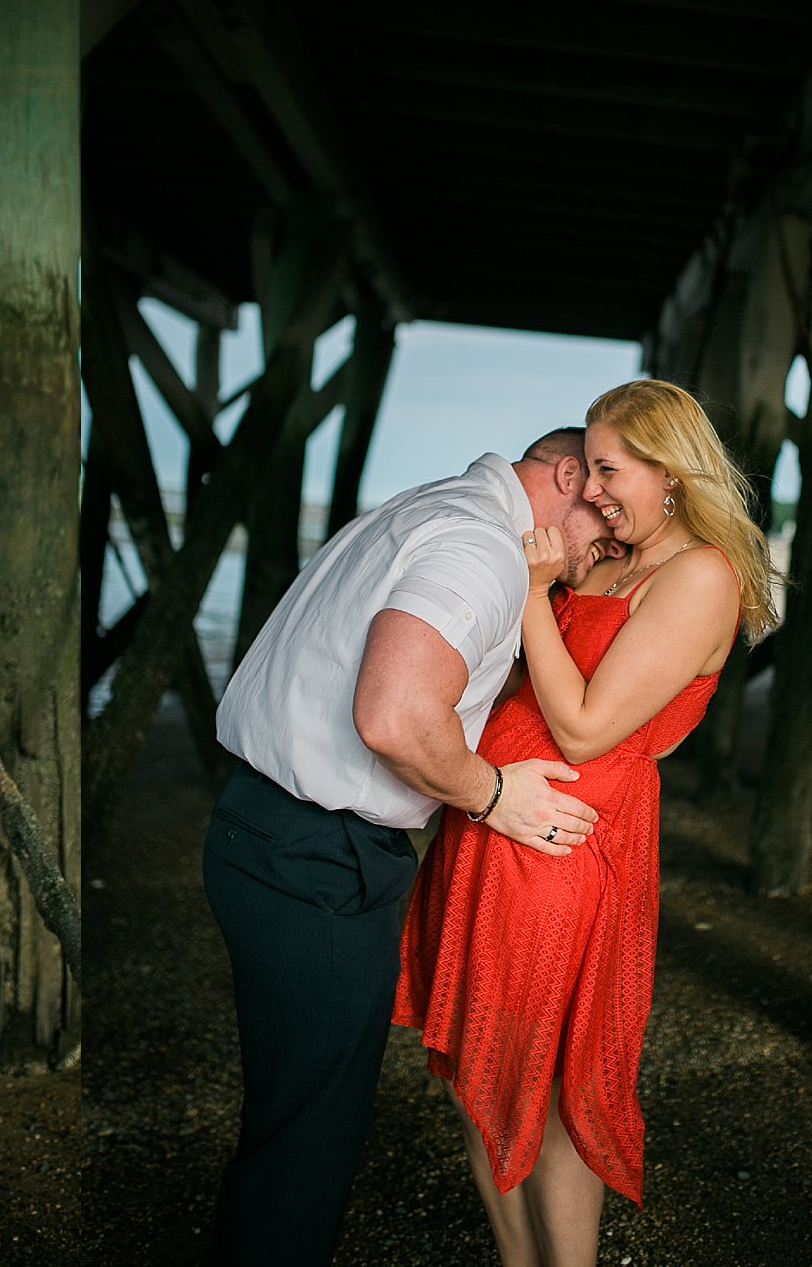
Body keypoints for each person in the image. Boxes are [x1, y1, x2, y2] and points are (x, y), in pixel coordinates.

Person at [204, 429, 623, 1266]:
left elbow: (444, 678)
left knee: (291, 1114)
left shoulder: (430, 508)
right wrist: (493, 795)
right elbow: (394, 718)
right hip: (319, 854)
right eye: (604, 520)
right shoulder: (479, 548)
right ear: (567, 475)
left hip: (265, 828)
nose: (609, 544)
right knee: (307, 1138)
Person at [393, 379, 780, 1267]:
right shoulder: (606, 561)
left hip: (563, 847)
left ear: (671, 470)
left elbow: (587, 726)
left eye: (608, 469)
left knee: (557, 1085)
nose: (592, 489)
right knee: (472, 1072)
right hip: (490, 825)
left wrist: (531, 592)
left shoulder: (701, 576)